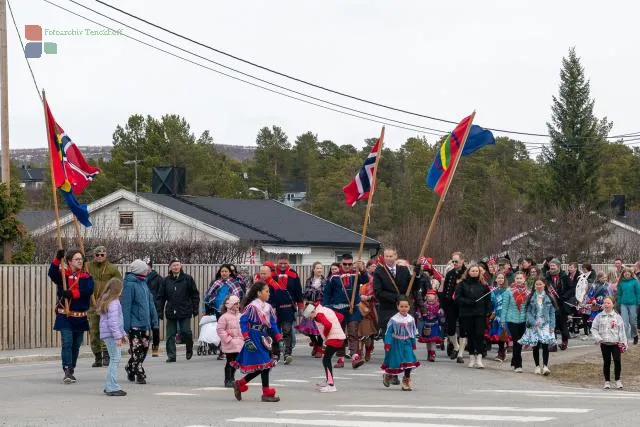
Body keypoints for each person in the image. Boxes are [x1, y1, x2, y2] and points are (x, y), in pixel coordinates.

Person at [48, 248, 94, 384]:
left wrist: (72, 294)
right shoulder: (63, 275)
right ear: (69, 261)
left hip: (80, 317)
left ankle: (72, 368)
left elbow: (88, 290)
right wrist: (57, 258)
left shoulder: (86, 276)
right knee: (67, 343)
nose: (80, 261)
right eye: (77, 259)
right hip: (65, 316)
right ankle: (67, 370)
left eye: (81, 259)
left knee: (75, 346)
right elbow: (51, 273)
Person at [231, 281, 282, 403]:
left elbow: (272, 324)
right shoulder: (252, 307)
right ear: (259, 293)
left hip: (263, 337)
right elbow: (243, 322)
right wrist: (247, 338)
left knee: (264, 366)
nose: (269, 294)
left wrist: (279, 337)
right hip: (253, 336)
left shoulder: (268, 307)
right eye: (266, 291)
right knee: (265, 364)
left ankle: (240, 383)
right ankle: (266, 393)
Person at [323, 253, 369, 369]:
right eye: (345, 264)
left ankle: (354, 357)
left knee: (353, 333)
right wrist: (326, 308)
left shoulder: (356, 274)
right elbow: (327, 293)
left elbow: (366, 279)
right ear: (340, 264)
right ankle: (340, 358)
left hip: (352, 309)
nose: (347, 266)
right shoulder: (334, 277)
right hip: (338, 309)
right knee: (340, 334)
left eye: (350, 264)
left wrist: (362, 269)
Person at [121, 259, 158, 384]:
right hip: (134, 324)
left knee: (144, 349)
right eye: (145, 269)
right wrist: (125, 328)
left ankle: (130, 367)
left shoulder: (143, 283)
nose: (147, 271)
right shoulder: (129, 284)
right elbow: (126, 306)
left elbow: (150, 303)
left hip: (145, 324)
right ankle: (140, 373)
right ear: (140, 271)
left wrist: (154, 321)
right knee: (136, 350)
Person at [156, 258, 200, 363]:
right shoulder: (166, 280)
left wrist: (195, 308)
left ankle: (189, 348)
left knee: (185, 331)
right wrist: (160, 311)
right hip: (171, 311)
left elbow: (195, 295)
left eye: (178, 265)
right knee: (170, 334)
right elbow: (161, 297)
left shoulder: (188, 279)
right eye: (174, 265)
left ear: (180, 266)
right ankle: (171, 355)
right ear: (170, 267)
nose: (176, 267)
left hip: (185, 310)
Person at [86, 246, 122, 368]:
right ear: (94, 256)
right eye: (97, 255)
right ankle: (97, 357)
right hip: (91, 304)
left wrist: (113, 300)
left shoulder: (112, 268)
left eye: (102, 254)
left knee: (106, 331)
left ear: (105, 255)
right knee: (94, 331)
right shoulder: (88, 267)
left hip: (105, 305)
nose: (100, 257)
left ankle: (107, 356)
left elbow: (118, 285)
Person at [301, 302, 346, 393]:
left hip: (334, 338)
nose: (311, 319)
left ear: (312, 312)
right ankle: (328, 380)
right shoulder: (325, 309)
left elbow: (328, 325)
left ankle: (331, 384)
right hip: (338, 337)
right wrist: (336, 327)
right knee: (326, 359)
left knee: (326, 360)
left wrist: (326, 334)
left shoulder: (318, 315)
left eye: (310, 317)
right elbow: (340, 317)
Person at [455, 264, 492, 368]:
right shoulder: (462, 284)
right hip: (467, 314)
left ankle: (479, 358)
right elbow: (457, 298)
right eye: (472, 271)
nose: (475, 272)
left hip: (480, 314)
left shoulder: (483, 285)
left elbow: (488, 299)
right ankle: (471, 357)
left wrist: (488, 310)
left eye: (476, 271)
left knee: (480, 335)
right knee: (470, 336)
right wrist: (468, 302)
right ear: (468, 272)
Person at [258, 265, 296, 364]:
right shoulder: (260, 284)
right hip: (272, 311)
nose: (262, 275)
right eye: (261, 273)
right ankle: (276, 354)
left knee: (287, 331)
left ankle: (287, 354)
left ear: (270, 273)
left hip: (286, 309)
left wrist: (273, 306)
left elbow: (277, 297)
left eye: (264, 273)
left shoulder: (274, 283)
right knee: (274, 332)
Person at [519, 280, 558, 376]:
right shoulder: (531, 297)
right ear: (534, 286)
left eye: (540, 284)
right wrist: (533, 321)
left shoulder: (549, 297)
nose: (538, 286)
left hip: (546, 324)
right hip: (534, 324)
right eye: (537, 284)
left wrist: (552, 326)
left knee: (545, 345)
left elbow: (552, 313)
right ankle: (537, 366)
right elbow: (527, 312)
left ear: (544, 285)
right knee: (535, 346)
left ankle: (545, 366)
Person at [381, 296, 420, 391]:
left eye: (406, 306)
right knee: (395, 363)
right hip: (396, 343)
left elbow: (412, 332)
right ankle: (388, 375)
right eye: (401, 306)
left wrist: (413, 343)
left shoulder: (411, 319)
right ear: (397, 307)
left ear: (409, 307)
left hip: (406, 343)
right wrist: (388, 343)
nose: (404, 308)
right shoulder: (394, 319)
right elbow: (389, 332)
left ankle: (406, 380)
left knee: (409, 361)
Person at [97, 278, 127, 396]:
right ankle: (111, 386)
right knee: (115, 358)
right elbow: (113, 322)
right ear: (118, 290)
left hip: (109, 334)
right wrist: (118, 337)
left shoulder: (107, 300)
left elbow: (117, 322)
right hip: (111, 335)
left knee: (115, 358)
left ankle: (109, 385)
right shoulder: (114, 302)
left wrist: (123, 334)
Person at [592, 296, 627, 389]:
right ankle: (607, 381)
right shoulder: (599, 316)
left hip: (615, 343)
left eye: (608, 303)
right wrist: (598, 338)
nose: (606, 305)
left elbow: (622, 331)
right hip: (604, 344)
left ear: (613, 304)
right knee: (606, 362)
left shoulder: (618, 317)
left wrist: (624, 343)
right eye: (605, 303)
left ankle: (618, 380)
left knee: (617, 361)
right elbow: (594, 328)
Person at [438, 251, 467, 362]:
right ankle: (456, 346)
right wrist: (442, 304)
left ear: (462, 260)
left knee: (463, 329)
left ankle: (460, 354)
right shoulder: (450, 273)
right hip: (450, 304)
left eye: (457, 261)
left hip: (463, 304)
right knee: (450, 328)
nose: (454, 263)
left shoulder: (467, 272)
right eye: (453, 261)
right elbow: (445, 290)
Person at [296, 262, 326, 358]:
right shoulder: (309, 280)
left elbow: (324, 293)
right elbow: (306, 293)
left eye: (321, 268)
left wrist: (315, 292)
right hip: (310, 305)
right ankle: (315, 344)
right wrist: (314, 292)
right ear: (313, 269)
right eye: (317, 268)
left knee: (320, 327)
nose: (319, 270)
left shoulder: (325, 280)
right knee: (308, 327)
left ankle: (319, 349)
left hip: (321, 305)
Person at [501, 272, 530, 373]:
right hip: (511, 319)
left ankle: (514, 359)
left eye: (520, 278)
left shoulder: (528, 292)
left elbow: (528, 308)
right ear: (514, 279)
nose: (518, 280)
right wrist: (503, 320)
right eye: (517, 278)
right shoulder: (509, 291)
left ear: (524, 279)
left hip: (523, 320)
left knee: (520, 342)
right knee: (516, 341)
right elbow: (504, 306)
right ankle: (518, 364)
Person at [216, 295, 243, 388]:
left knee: (236, 362)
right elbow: (220, 330)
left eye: (238, 303)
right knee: (230, 361)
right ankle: (228, 379)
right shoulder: (224, 317)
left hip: (239, 343)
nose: (238, 305)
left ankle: (232, 378)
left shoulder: (240, 316)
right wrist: (228, 339)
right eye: (235, 304)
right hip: (230, 343)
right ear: (230, 305)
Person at [545, 259, 570, 350]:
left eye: (553, 266)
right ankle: (553, 344)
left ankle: (564, 342)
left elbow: (571, 289)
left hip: (562, 304)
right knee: (552, 325)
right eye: (550, 266)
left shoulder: (564, 277)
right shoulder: (546, 277)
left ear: (558, 267)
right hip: (550, 304)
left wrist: (564, 296)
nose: (551, 268)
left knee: (562, 325)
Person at [358, 260, 378, 362]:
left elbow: (377, 292)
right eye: (372, 266)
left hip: (370, 306)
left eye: (375, 266)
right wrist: (359, 297)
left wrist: (369, 297)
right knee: (359, 332)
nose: (374, 268)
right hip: (358, 306)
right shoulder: (356, 277)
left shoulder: (375, 279)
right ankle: (359, 352)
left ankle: (368, 350)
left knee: (370, 331)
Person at [416, 289, 444, 362]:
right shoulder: (424, 304)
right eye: (429, 297)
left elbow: (441, 314)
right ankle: (429, 353)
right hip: (426, 324)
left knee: (433, 340)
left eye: (432, 297)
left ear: (435, 297)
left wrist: (440, 313)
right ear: (426, 297)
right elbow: (419, 311)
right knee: (428, 340)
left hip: (434, 324)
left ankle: (433, 354)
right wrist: (419, 314)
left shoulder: (438, 305)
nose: (430, 298)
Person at [580, 271, 610, 339]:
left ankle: (603, 335)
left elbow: (609, 295)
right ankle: (596, 335)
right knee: (595, 320)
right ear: (599, 278)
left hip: (604, 304)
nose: (604, 279)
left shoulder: (607, 285)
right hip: (595, 305)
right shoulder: (594, 285)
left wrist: (605, 303)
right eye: (603, 277)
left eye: (605, 277)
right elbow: (590, 294)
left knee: (604, 320)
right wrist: (593, 299)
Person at [488, 273, 510, 362]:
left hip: (505, 315)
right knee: (497, 334)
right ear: (495, 279)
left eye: (502, 278)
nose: (500, 279)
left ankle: (501, 352)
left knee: (502, 333)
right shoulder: (492, 290)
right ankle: (502, 350)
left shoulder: (508, 290)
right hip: (496, 314)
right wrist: (492, 313)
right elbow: (492, 303)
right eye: (499, 278)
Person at [616, 267, 640, 345]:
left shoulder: (635, 282)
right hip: (623, 304)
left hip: (633, 304)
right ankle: (624, 340)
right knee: (624, 323)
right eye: (625, 272)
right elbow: (619, 294)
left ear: (631, 273)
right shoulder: (621, 283)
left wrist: (638, 303)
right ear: (623, 274)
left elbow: (638, 293)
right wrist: (618, 303)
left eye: (628, 272)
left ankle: (635, 335)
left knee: (633, 322)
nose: (626, 273)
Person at [145, 259, 163, 357]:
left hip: (154, 307)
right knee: (144, 329)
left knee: (155, 328)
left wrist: (159, 308)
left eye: (146, 266)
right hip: (143, 307)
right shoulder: (140, 278)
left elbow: (161, 295)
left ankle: (155, 348)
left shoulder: (158, 278)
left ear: (150, 267)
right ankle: (144, 348)